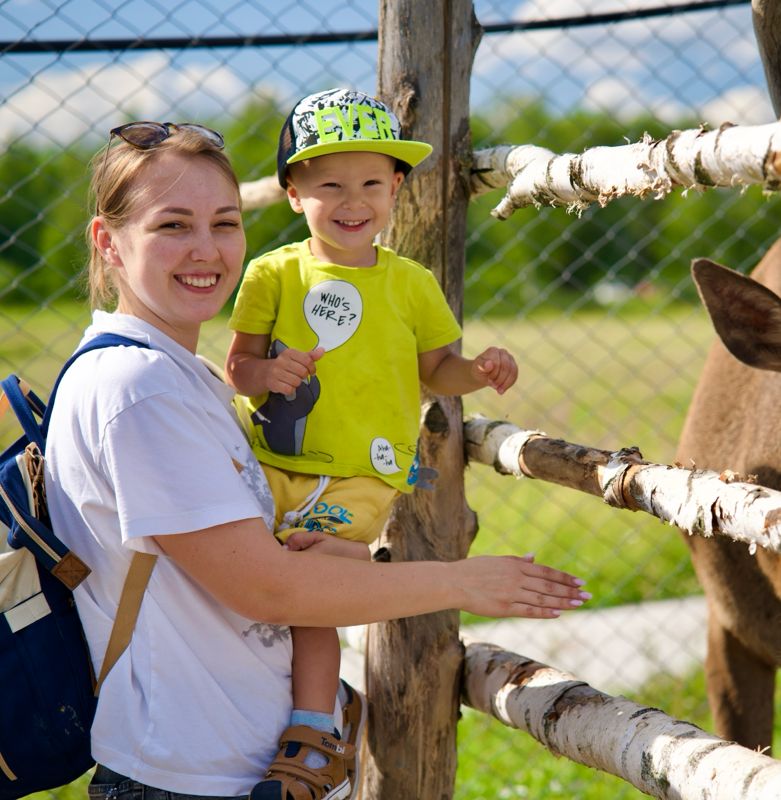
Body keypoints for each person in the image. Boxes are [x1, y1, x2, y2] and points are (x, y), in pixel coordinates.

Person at [44, 121, 590, 800]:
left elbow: (254, 560)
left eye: (225, 222)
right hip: (197, 777)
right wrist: (463, 583)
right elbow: (267, 588)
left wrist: (349, 562)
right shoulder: (138, 391)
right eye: (173, 226)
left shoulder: (188, 375)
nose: (207, 250)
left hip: (241, 761)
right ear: (108, 241)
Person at [222, 89, 521, 800]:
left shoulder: (412, 285)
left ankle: (312, 728)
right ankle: (276, 707)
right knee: (246, 590)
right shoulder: (273, 274)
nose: (352, 201)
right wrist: (271, 371)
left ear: (394, 188)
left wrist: (475, 373)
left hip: (362, 475)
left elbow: (434, 372)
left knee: (310, 585)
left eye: (370, 183)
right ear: (294, 194)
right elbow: (238, 368)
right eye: (329, 184)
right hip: (265, 464)